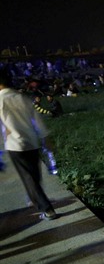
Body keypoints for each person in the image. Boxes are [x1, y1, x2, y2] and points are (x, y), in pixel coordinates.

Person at [0, 69, 57, 220]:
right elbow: (37, 119)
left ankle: (47, 209)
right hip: (32, 142)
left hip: (16, 144)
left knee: (28, 177)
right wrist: (45, 138)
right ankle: (34, 199)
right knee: (34, 175)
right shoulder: (22, 97)